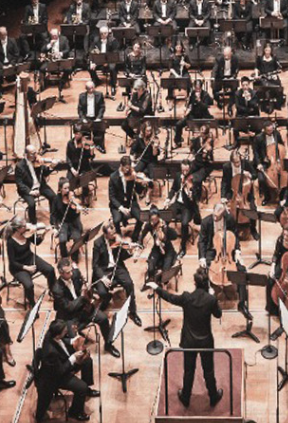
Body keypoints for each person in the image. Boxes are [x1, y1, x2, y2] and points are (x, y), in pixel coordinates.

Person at [145, 269, 224, 408]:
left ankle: (185, 397)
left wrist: (156, 287)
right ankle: (213, 396)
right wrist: (214, 296)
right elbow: (218, 314)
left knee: (189, 370)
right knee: (209, 370)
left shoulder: (187, 298)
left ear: (195, 283)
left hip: (189, 341)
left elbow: (170, 297)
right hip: (205, 341)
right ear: (207, 283)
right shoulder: (210, 299)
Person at [50, 258, 117, 357]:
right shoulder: (57, 289)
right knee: (75, 343)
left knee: (103, 319)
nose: (71, 274)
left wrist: (87, 287)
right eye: (68, 273)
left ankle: (108, 345)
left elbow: (82, 283)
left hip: (84, 309)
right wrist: (82, 296)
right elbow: (69, 308)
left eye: (71, 270)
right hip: (70, 317)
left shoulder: (75, 273)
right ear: (61, 273)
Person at [33, 319, 98, 422]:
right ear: (58, 334)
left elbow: (62, 341)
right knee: (81, 387)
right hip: (55, 376)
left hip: (61, 363)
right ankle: (75, 412)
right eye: (65, 331)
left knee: (87, 361)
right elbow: (60, 371)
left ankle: (87, 391)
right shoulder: (51, 352)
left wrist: (73, 341)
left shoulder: (51, 334)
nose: (67, 332)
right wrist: (73, 358)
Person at [91, 223, 143, 327]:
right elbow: (95, 265)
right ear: (105, 235)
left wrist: (129, 250)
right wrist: (103, 277)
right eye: (111, 234)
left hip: (117, 267)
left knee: (129, 284)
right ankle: (106, 300)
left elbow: (121, 256)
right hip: (104, 270)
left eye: (114, 232)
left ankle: (133, 312)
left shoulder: (117, 240)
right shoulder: (98, 243)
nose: (114, 235)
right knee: (102, 292)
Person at [5, 219, 56, 307]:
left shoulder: (27, 234)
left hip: (30, 258)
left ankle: (53, 291)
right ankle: (32, 304)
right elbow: (12, 262)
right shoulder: (10, 242)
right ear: (18, 229)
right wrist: (26, 268)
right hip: (18, 267)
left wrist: (44, 233)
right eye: (24, 226)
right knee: (29, 285)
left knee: (50, 269)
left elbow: (38, 242)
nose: (27, 227)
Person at [15, 145, 58, 223]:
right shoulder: (19, 166)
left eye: (35, 153)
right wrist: (30, 192)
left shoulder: (38, 161)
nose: (35, 155)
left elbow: (45, 172)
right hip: (28, 189)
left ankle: (53, 220)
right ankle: (33, 223)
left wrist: (52, 166)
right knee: (31, 204)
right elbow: (19, 183)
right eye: (32, 154)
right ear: (26, 154)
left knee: (53, 197)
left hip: (40, 186)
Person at [108, 156, 148, 236]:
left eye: (129, 168)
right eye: (126, 168)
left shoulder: (132, 175)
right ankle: (119, 237)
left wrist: (142, 185)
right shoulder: (113, 177)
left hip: (131, 202)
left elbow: (138, 190)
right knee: (116, 220)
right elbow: (112, 197)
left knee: (141, 219)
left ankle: (134, 237)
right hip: (118, 204)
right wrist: (121, 208)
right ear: (121, 166)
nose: (127, 170)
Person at [77, 81, 106, 152]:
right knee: (84, 132)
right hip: (86, 118)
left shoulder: (99, 95)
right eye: (89, 89)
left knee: (100, 130)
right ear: (86, 89)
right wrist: (83, 118)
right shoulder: (81, 96)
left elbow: (102, 107)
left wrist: (99, 117)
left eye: (92, 88)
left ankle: (99, 145)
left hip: (96, 117)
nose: (91, 90)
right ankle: (87, 146)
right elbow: (80, 109)